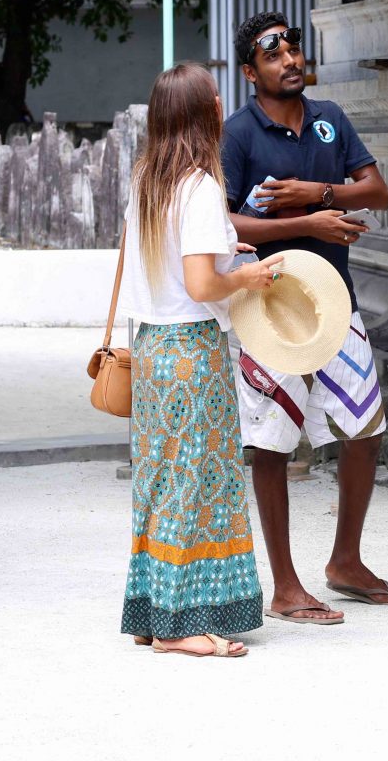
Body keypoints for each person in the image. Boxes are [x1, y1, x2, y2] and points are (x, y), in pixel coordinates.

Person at [222, 12, 388, 625]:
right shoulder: (238, 135)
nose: (289, 60)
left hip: (335, 300)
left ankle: (345, 563)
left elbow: (377, 191)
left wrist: (317, 193)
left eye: (294, 49)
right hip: (268, 306)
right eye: (272, 55)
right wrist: (306, 223)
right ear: (250, 72)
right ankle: (283, 586)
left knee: (366, 427)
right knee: (273, 441)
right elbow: (223, 224)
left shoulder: (330, 119)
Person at [118, 61, 284, 658]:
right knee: (195, 479)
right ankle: (177, 628)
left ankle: (151, 609)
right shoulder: (202, 186)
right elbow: (200, 287)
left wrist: (221, 252)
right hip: (191, 348)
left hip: (151, 349)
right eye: (216, 99)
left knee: (159, 479)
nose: (223, 105)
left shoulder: (147, 179)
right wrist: (250, 274)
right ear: (204, 114)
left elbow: (171, 261)